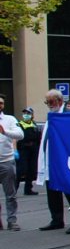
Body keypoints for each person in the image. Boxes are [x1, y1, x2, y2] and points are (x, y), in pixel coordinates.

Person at [36, 89, 70, 234]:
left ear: (59, 101)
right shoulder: (51, 116)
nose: (49, 105)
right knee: (52, 192)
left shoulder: (67, 115)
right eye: (47, 102)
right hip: (50, 160)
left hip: (64, 161)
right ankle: (56, 220)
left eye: (51, 102)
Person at [0, 95, 23, 231]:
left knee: (10, 195)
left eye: (1, 103)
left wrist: (5, 131)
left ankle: (12, 221)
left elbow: (20, 135)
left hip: (6, 162)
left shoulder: (9, 119)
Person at [16, 107, 41, 196]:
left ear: (32, 115)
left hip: (33, 150)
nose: (26, 115)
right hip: (24, 150)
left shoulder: (34, 125)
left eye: (28, 113)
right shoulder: (19, 125)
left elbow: (39, 138)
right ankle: (14, 189)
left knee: (32, 170)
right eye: (25, 113)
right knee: (22, 169)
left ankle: (28, 189)